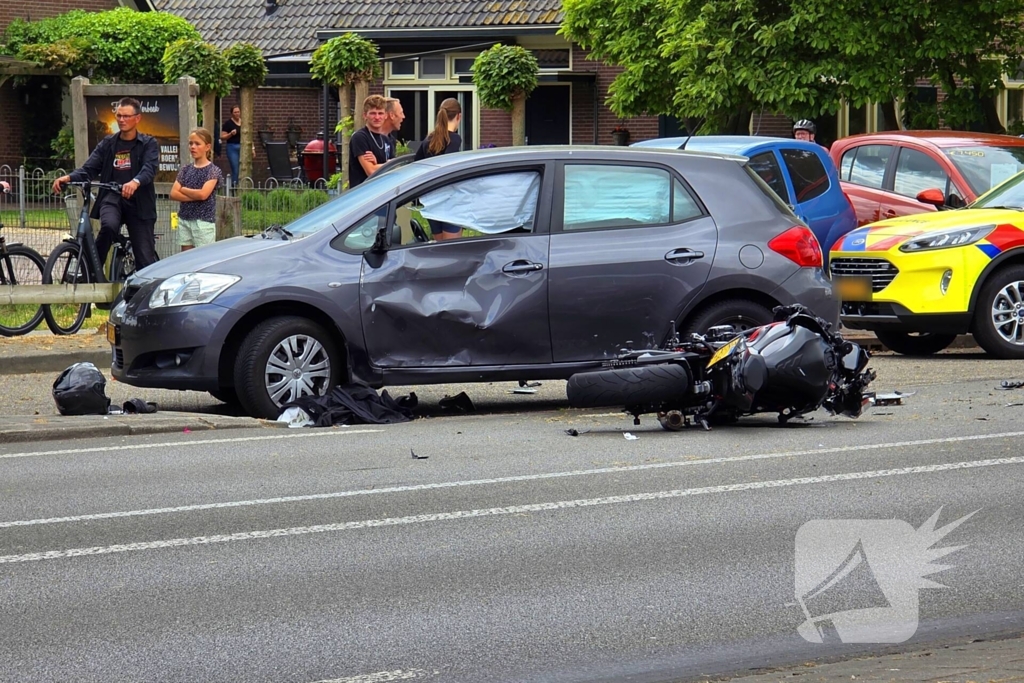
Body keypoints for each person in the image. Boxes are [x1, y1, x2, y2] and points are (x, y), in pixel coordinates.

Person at [51, 96, 160, 272]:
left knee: (144, 259)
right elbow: (89, 169)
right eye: (119, 116)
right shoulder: (108, 143)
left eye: (126, 116)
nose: (122, 120)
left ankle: (141, 293)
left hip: (140, 203)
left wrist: (135, 182)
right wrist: (68, 178)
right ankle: (92, 272)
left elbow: (149, 168)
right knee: (108, 226)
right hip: (113, 197)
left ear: (137, 118)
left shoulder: (148, 144)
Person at [415, 98, 464, 240]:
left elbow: (417, 163)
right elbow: (449, 166)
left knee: (439, 246)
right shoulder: (454, 139)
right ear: (458, 116)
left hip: (431, 200)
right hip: (449, 200)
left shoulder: (429, 139)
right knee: (451, 249)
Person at [170, 128, 223, 251]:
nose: (193, 147)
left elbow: (203, 195)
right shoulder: (185, 169)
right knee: (186, 257)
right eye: (191, 143)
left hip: (203, 221)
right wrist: (194, 195)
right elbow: (173, 193)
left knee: (203, 257)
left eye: (197, 144)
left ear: (207, 147)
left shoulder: (213, 170)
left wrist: (183, 189)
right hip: (185, 218)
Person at [349, 94, 395, 187]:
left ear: (386, 115)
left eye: (380, 113)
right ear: (365, 115)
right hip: (364, 194)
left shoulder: (387, 140)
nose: (377, 117)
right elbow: (371, 171)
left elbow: (395, 169)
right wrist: (388, 164)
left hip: (383, 192)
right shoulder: (360, 137)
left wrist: (377, 164)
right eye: (373, 113)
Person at [221, 106, 242, 185]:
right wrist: (230, 134)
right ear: (232, 114)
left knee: (243, 168)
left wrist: (252, 148)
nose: (237, 114)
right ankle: (234, 188)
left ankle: (243, 187)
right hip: (232, 147)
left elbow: (249, 136)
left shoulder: (243, 123)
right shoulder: (228, 123)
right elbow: (222, 136)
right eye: (235, 112)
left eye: (238, 112)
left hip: (242, 147)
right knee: (235, 169)